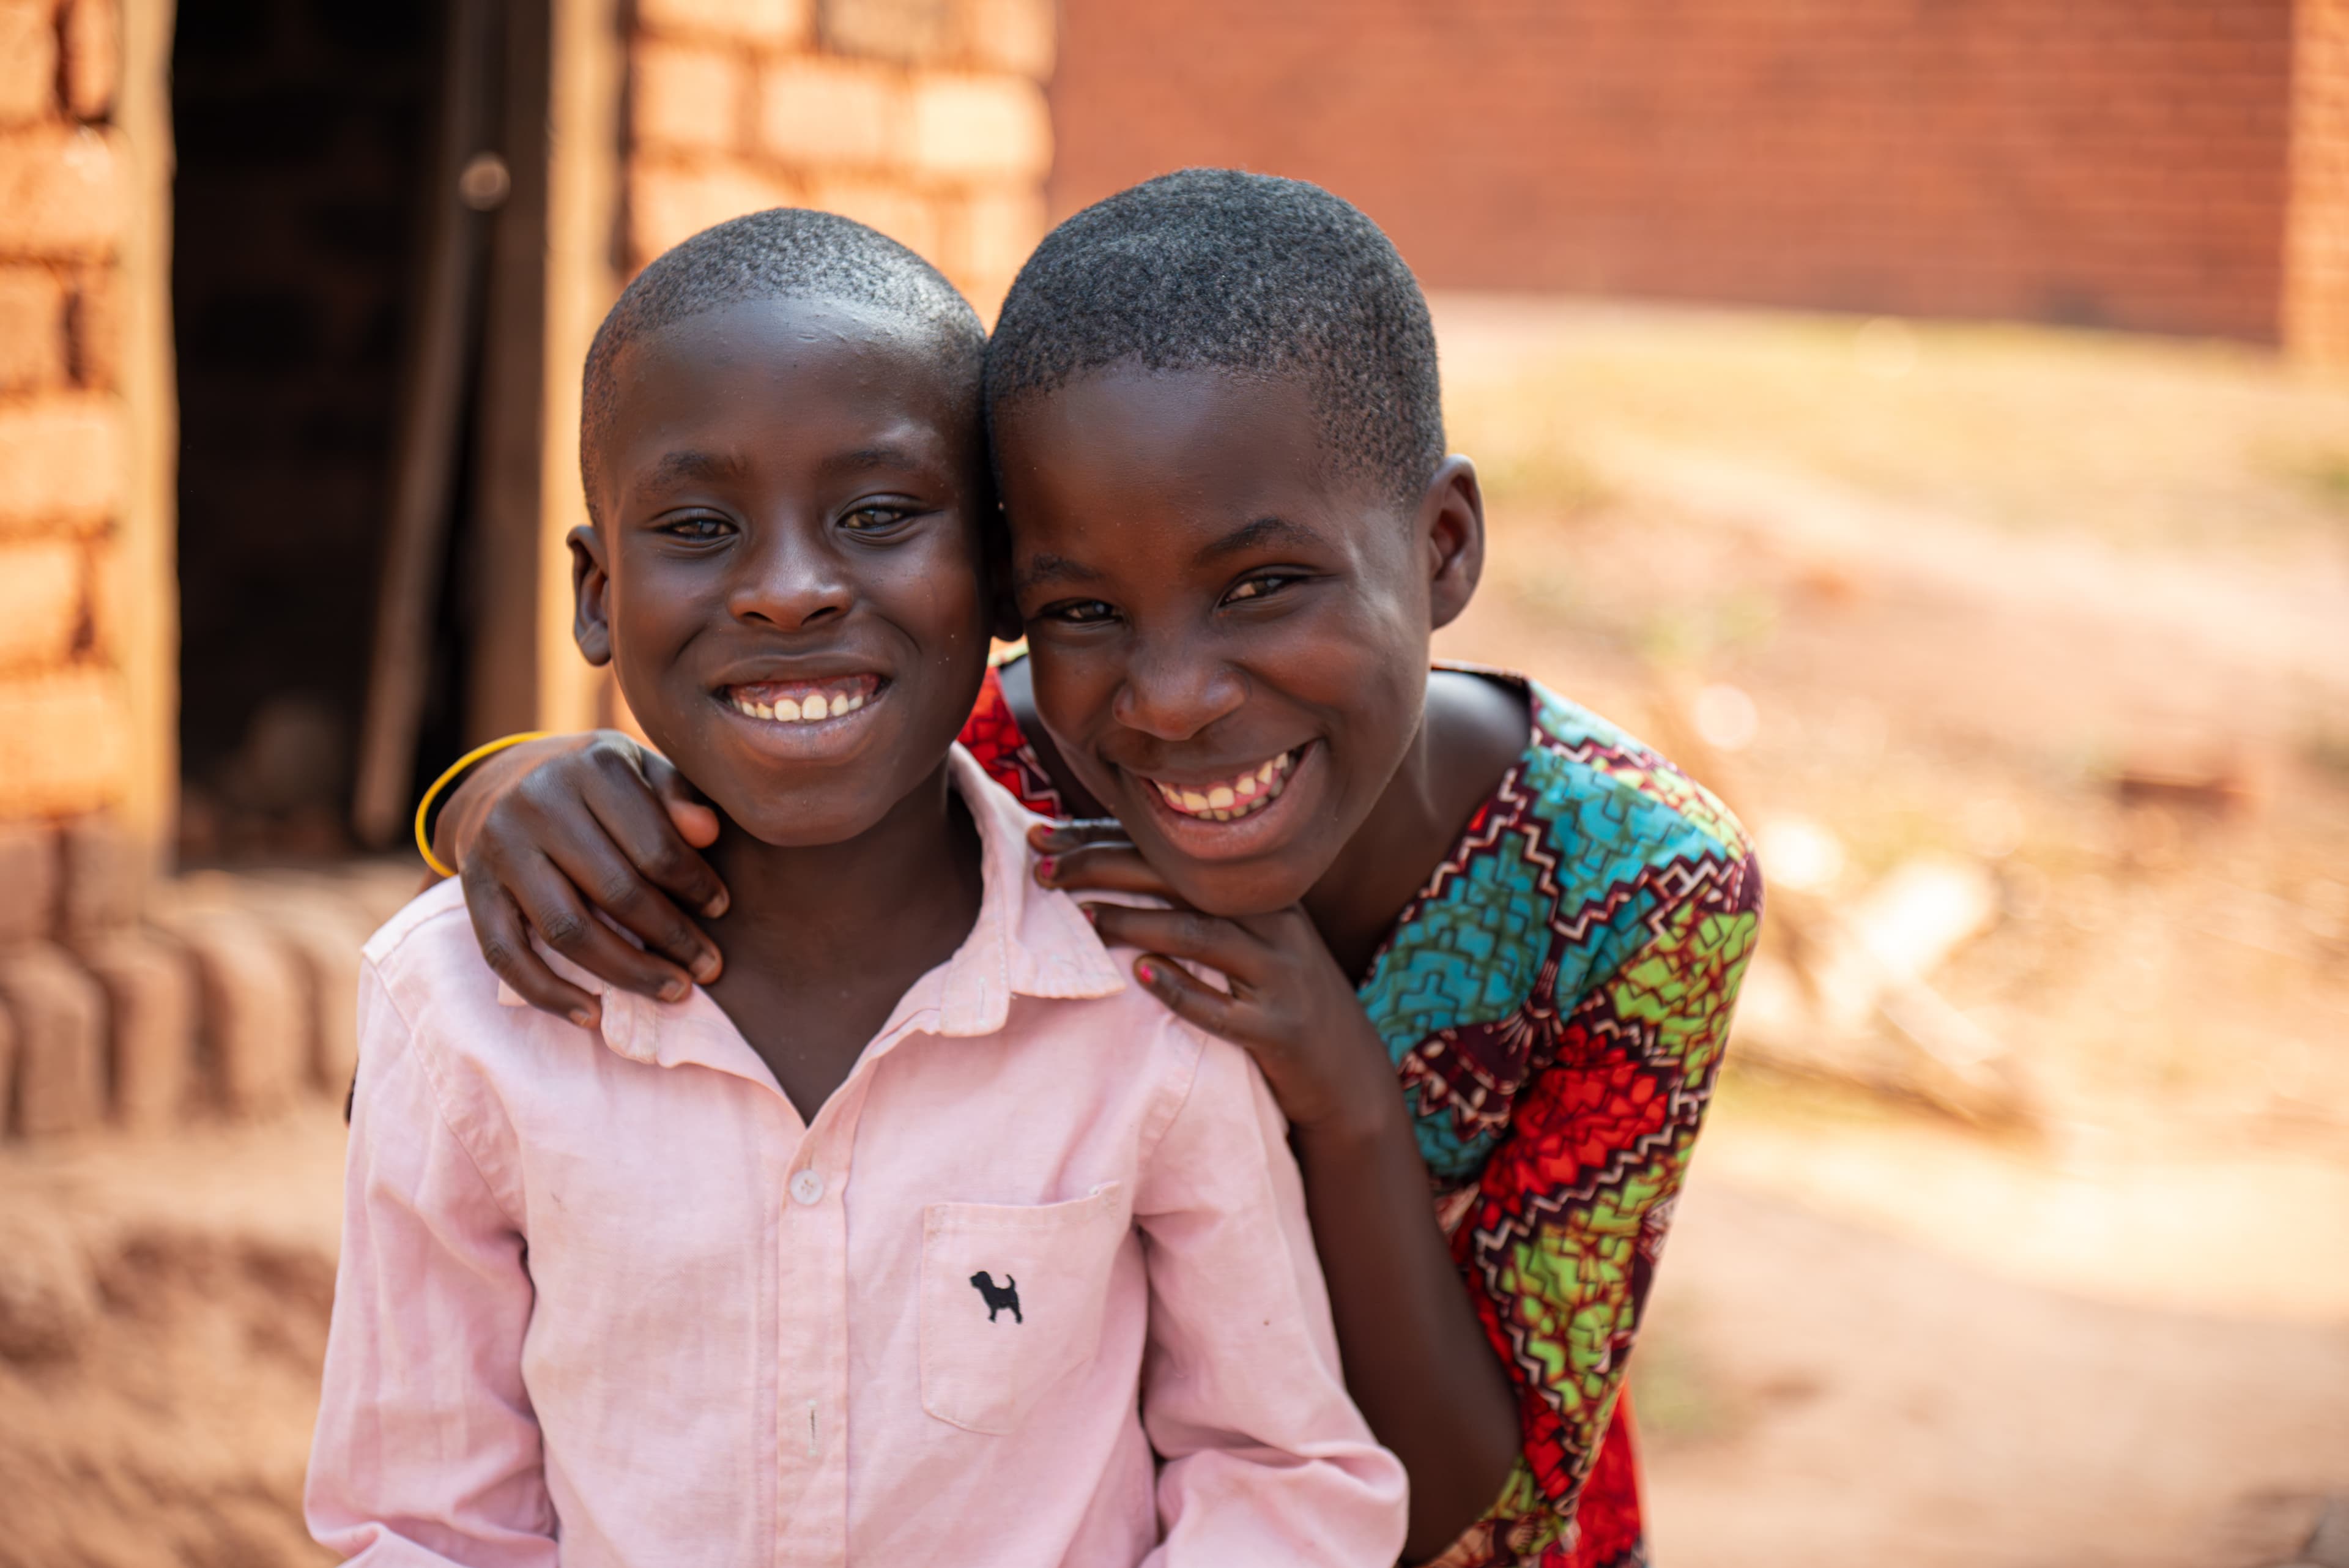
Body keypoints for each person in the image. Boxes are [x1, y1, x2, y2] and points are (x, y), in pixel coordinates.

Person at [424, 171, 1762, 1568]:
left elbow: (1463, 1507)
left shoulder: (1638, 895)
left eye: (1262, 586)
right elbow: (508, 1035)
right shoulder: (997, 767)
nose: (1172, 698)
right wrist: (496, 793)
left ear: (1441, 547)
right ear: (1007, 595)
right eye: (1083, 609)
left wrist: (1344, 1094)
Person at [305, 208, 1407, 1568]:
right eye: (700, 526)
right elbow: (418, 1523)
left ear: (999, 574)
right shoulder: (460, 1006)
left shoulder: (1142, 987)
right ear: (598, 593)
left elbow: (1281, 1472)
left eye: (879, 515)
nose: (787, 591)